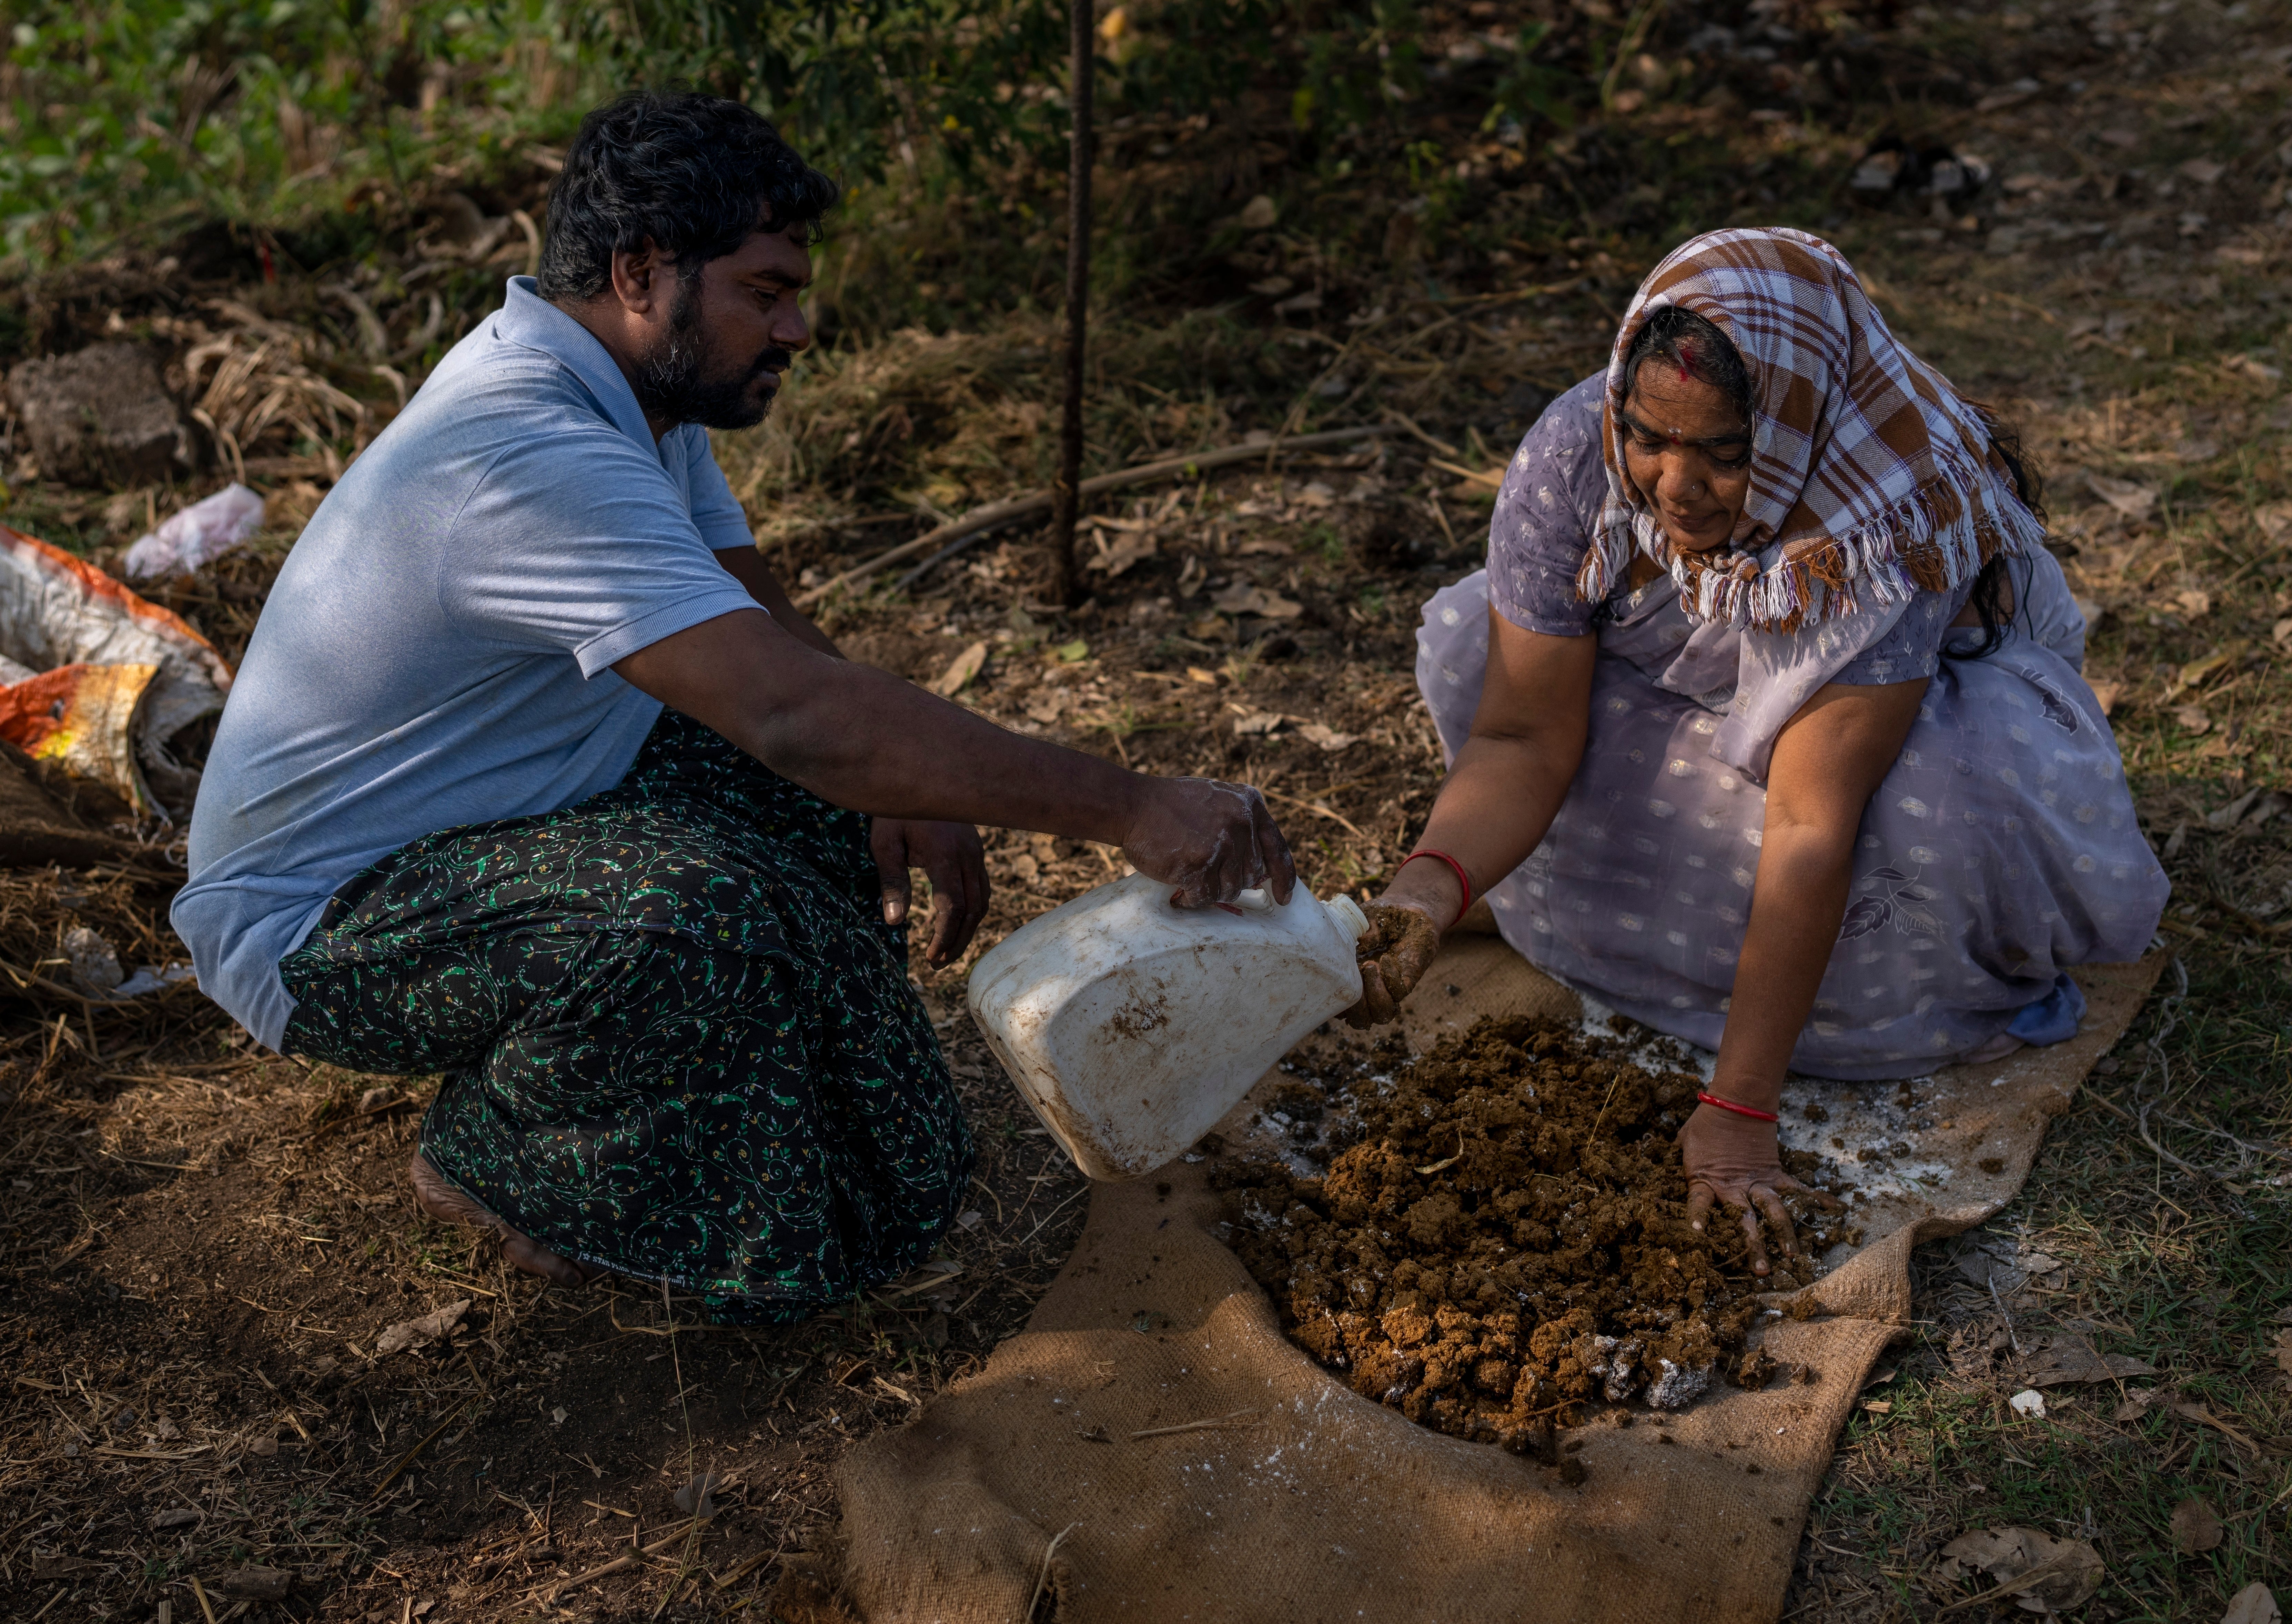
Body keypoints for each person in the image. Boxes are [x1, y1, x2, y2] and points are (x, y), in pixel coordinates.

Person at [172, 91, 1295, 1324]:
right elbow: (794, 715)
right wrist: (1128, 804)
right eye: (763, 293)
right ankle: (498, 1152)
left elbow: (767, 639)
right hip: (330, 925)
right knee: (691, 919)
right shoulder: (525, 452)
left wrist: (901, 783)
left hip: (510, 818)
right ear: (641, 272)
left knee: (886, 1110)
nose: (797, 327)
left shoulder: (634, 402)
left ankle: (766, 1097)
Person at [1346, 228, 2166, 1276]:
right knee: (1474, 648)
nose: (1674, 487)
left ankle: (1872, 1013)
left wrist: (1736, 1113)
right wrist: (1424, 893)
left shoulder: (1880, 520)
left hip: (1893, 742)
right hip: (1698, 709)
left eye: (1725, 456)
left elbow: (1809, 825)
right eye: (1650, 438)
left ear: (1788, 430)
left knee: (1942, 799)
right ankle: (1598, 937)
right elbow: (1518, 734)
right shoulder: (1574, 455)